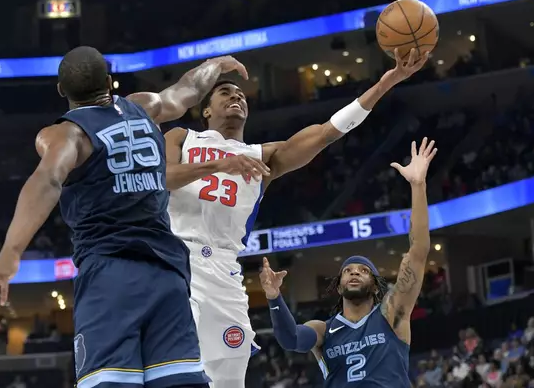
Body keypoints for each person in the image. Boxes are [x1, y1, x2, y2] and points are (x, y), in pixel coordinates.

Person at [0, 46, 250, 388]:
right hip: (169, 274)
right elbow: (188, 89)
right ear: (108, 82)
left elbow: (47, 180)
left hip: (110, 274)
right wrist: (215, 64)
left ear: (61, 89)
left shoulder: (64, 134)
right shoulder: (144, 107)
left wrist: (10, 253)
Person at [164, 48, 429, 388]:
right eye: (225, 92)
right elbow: (162, 178)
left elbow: (327, 132)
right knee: (172, 360)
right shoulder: (181, 137)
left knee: (228, 376)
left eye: (241, 94)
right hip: (176, 255)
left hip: (224, 268)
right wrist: (218, 164)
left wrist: (387, 81)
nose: (236, 97)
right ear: (206, 110)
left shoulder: (265, 157)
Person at [259, 137, 437, 387]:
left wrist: (418, 185)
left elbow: (418, 250)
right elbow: (291, 340)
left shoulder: (391, 314)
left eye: (363, 271)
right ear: (340, 286)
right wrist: (274, 297)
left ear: (375, 286)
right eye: (348, 271)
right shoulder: (323, 330)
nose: (354, 273)